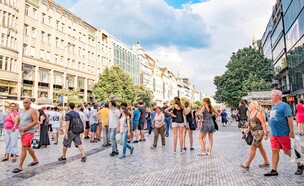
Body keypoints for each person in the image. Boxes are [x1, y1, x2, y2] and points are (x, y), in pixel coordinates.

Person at [264, 90, 303, 176]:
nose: (271, 97)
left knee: (287, 151)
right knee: (274, 150)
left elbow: (289, 119)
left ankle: (300, 164)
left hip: (283, 132)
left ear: (278, 96)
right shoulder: (274, 107)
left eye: (273, 95)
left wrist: (291, 131)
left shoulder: (284, 106)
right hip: (274, 133)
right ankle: (274, 170)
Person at [240, 101, 270, 170]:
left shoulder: (258, 113)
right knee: (260, 147)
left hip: (259, 133)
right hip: (253, 132)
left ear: (254, 105)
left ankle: (247, 164)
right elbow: (250, 123)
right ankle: (266, 162)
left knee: (253, 148)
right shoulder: (250, 113)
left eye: (250, 105)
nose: (249, 106)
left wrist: (265, 134)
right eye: (249, 105)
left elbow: (264, 124)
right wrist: (246, 129)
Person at [12, 98, 39, 173]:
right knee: (28, 146)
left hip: (29, 131)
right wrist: (15, 126)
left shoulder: (32, 110)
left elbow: (36, 122)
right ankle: (35, 160)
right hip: (22, 132)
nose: (25, 104)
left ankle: (19, 166)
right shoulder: (21, 111)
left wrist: (25, 127)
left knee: (24, 147)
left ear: (30, 103)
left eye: (26, 102)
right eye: (24, 102)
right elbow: (18, 120)